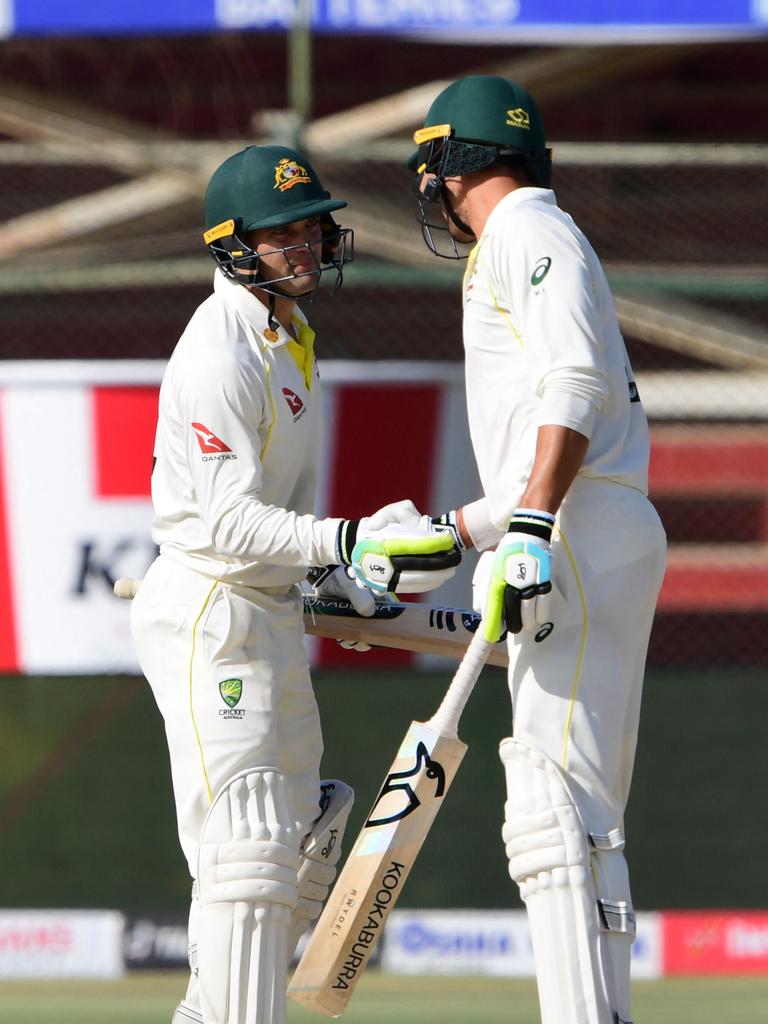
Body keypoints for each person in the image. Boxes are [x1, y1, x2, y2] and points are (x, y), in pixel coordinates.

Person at [129, 144, 461, 1024]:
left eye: (312, 224)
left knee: (302, 842)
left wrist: (331, 572)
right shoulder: (219, 350)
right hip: (212, 612)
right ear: (234, 243)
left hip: (267, 610)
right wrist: (348, 542)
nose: (307, 242)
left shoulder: (287, 337)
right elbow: (231, 523)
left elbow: (278, 523)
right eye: (283, 232)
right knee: (246, 853)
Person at [407, 77, 667, 1024]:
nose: (429, 187)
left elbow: (576, 382)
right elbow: (542, 435)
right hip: (577, 520)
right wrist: (458, 530)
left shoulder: (524, 231)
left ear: (454, 165)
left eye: (433, 167)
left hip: (577, 525)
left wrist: (529, 527)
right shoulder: (529, 236)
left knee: (550, 804)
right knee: (577, 809)